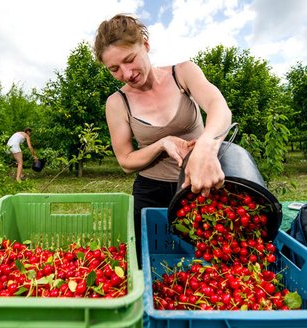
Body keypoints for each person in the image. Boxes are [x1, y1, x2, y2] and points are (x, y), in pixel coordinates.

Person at [94, 14, 232, 267]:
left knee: (206, 262)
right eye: (114, 69)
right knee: (148, 263)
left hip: (198, 185)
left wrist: (206, 145)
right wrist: (161, 143)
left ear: (145, 45)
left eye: (129, 59)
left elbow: (218, 106)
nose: (126, 73)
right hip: (150, 192)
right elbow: (125, 161)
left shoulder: (183, 73)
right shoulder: (117, 103)